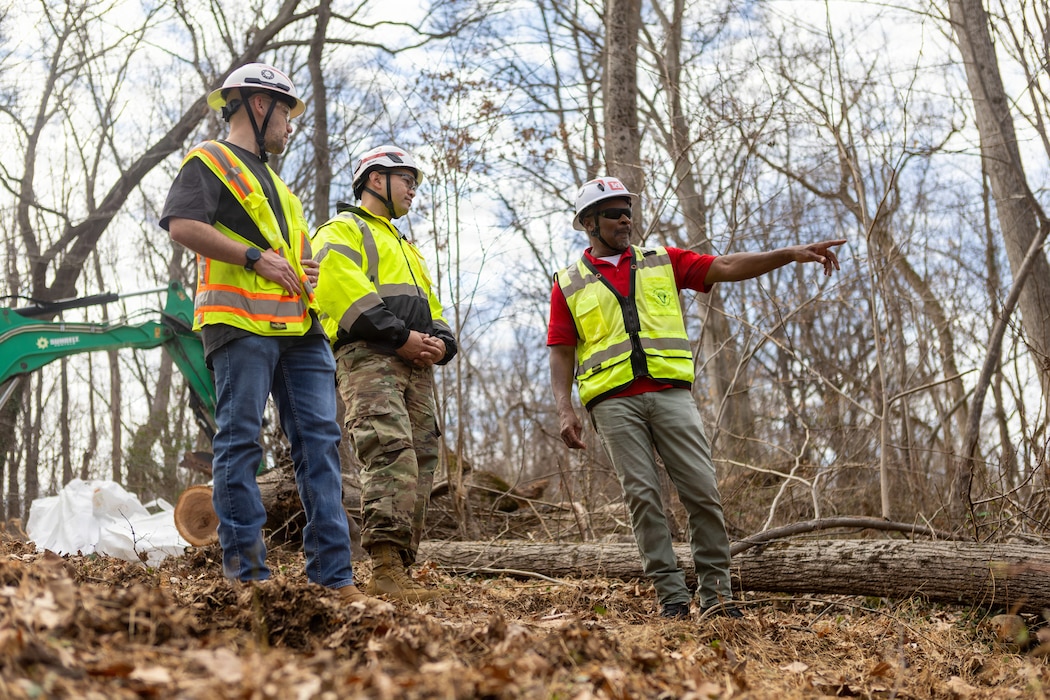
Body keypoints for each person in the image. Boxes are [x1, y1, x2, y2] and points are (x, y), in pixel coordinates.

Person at [548, 176, 845, 619]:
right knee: (644, 498)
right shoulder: (568, 282)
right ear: (590, 222)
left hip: (671, 396)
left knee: (703, 493)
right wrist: (564, 408)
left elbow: (724, 266)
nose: (625, 217)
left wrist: (788, 255)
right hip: (612, 403)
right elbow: (561, 348)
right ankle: (671, 598)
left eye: (628, 209)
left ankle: (718, 598)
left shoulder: (661, 260)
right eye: (614, 211)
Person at [160, 63, 378, 606]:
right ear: (260, 106)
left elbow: (297, 260)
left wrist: (305, 270)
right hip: (237, 323)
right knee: (240, 444)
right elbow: (184, 225)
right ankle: (248, 580)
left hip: (300, 330)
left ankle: (335, 579)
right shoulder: (208, 159)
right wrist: (257, 258)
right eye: (286, 113)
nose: (290, 126)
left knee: (321, 446)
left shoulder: (284, 191)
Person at [312, 145, 457, 603]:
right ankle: (385, 571)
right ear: (376, 180)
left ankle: (401, 572)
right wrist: (401, 337)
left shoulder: (405, 246)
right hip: (369, 358)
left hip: (413, 362)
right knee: (389, 452)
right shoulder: (342, 229)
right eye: (406, 179)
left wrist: (440, 341)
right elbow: (341, 291)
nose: (413, 189)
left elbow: (432, 308)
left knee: (421, 459)